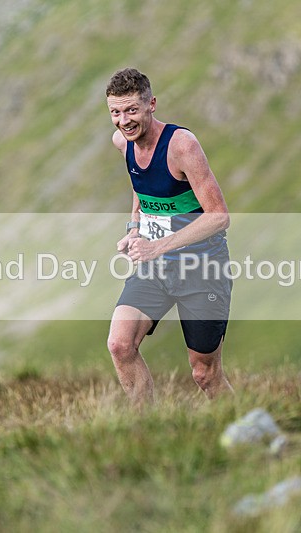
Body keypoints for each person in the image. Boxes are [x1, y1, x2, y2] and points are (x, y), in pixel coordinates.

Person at [105, 67, 234, 404]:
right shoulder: (123, 142)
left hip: (203, 270)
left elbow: (219, 217)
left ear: (151, 105)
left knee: (205, 375)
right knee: (120, 344)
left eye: (132, 110)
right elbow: (141, 188)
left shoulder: (182, 146)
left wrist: (157, 245)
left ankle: (254, 431)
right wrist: (134, 229)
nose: (124, 121)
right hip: (156, 269)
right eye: (115, 112)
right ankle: (143, 431)